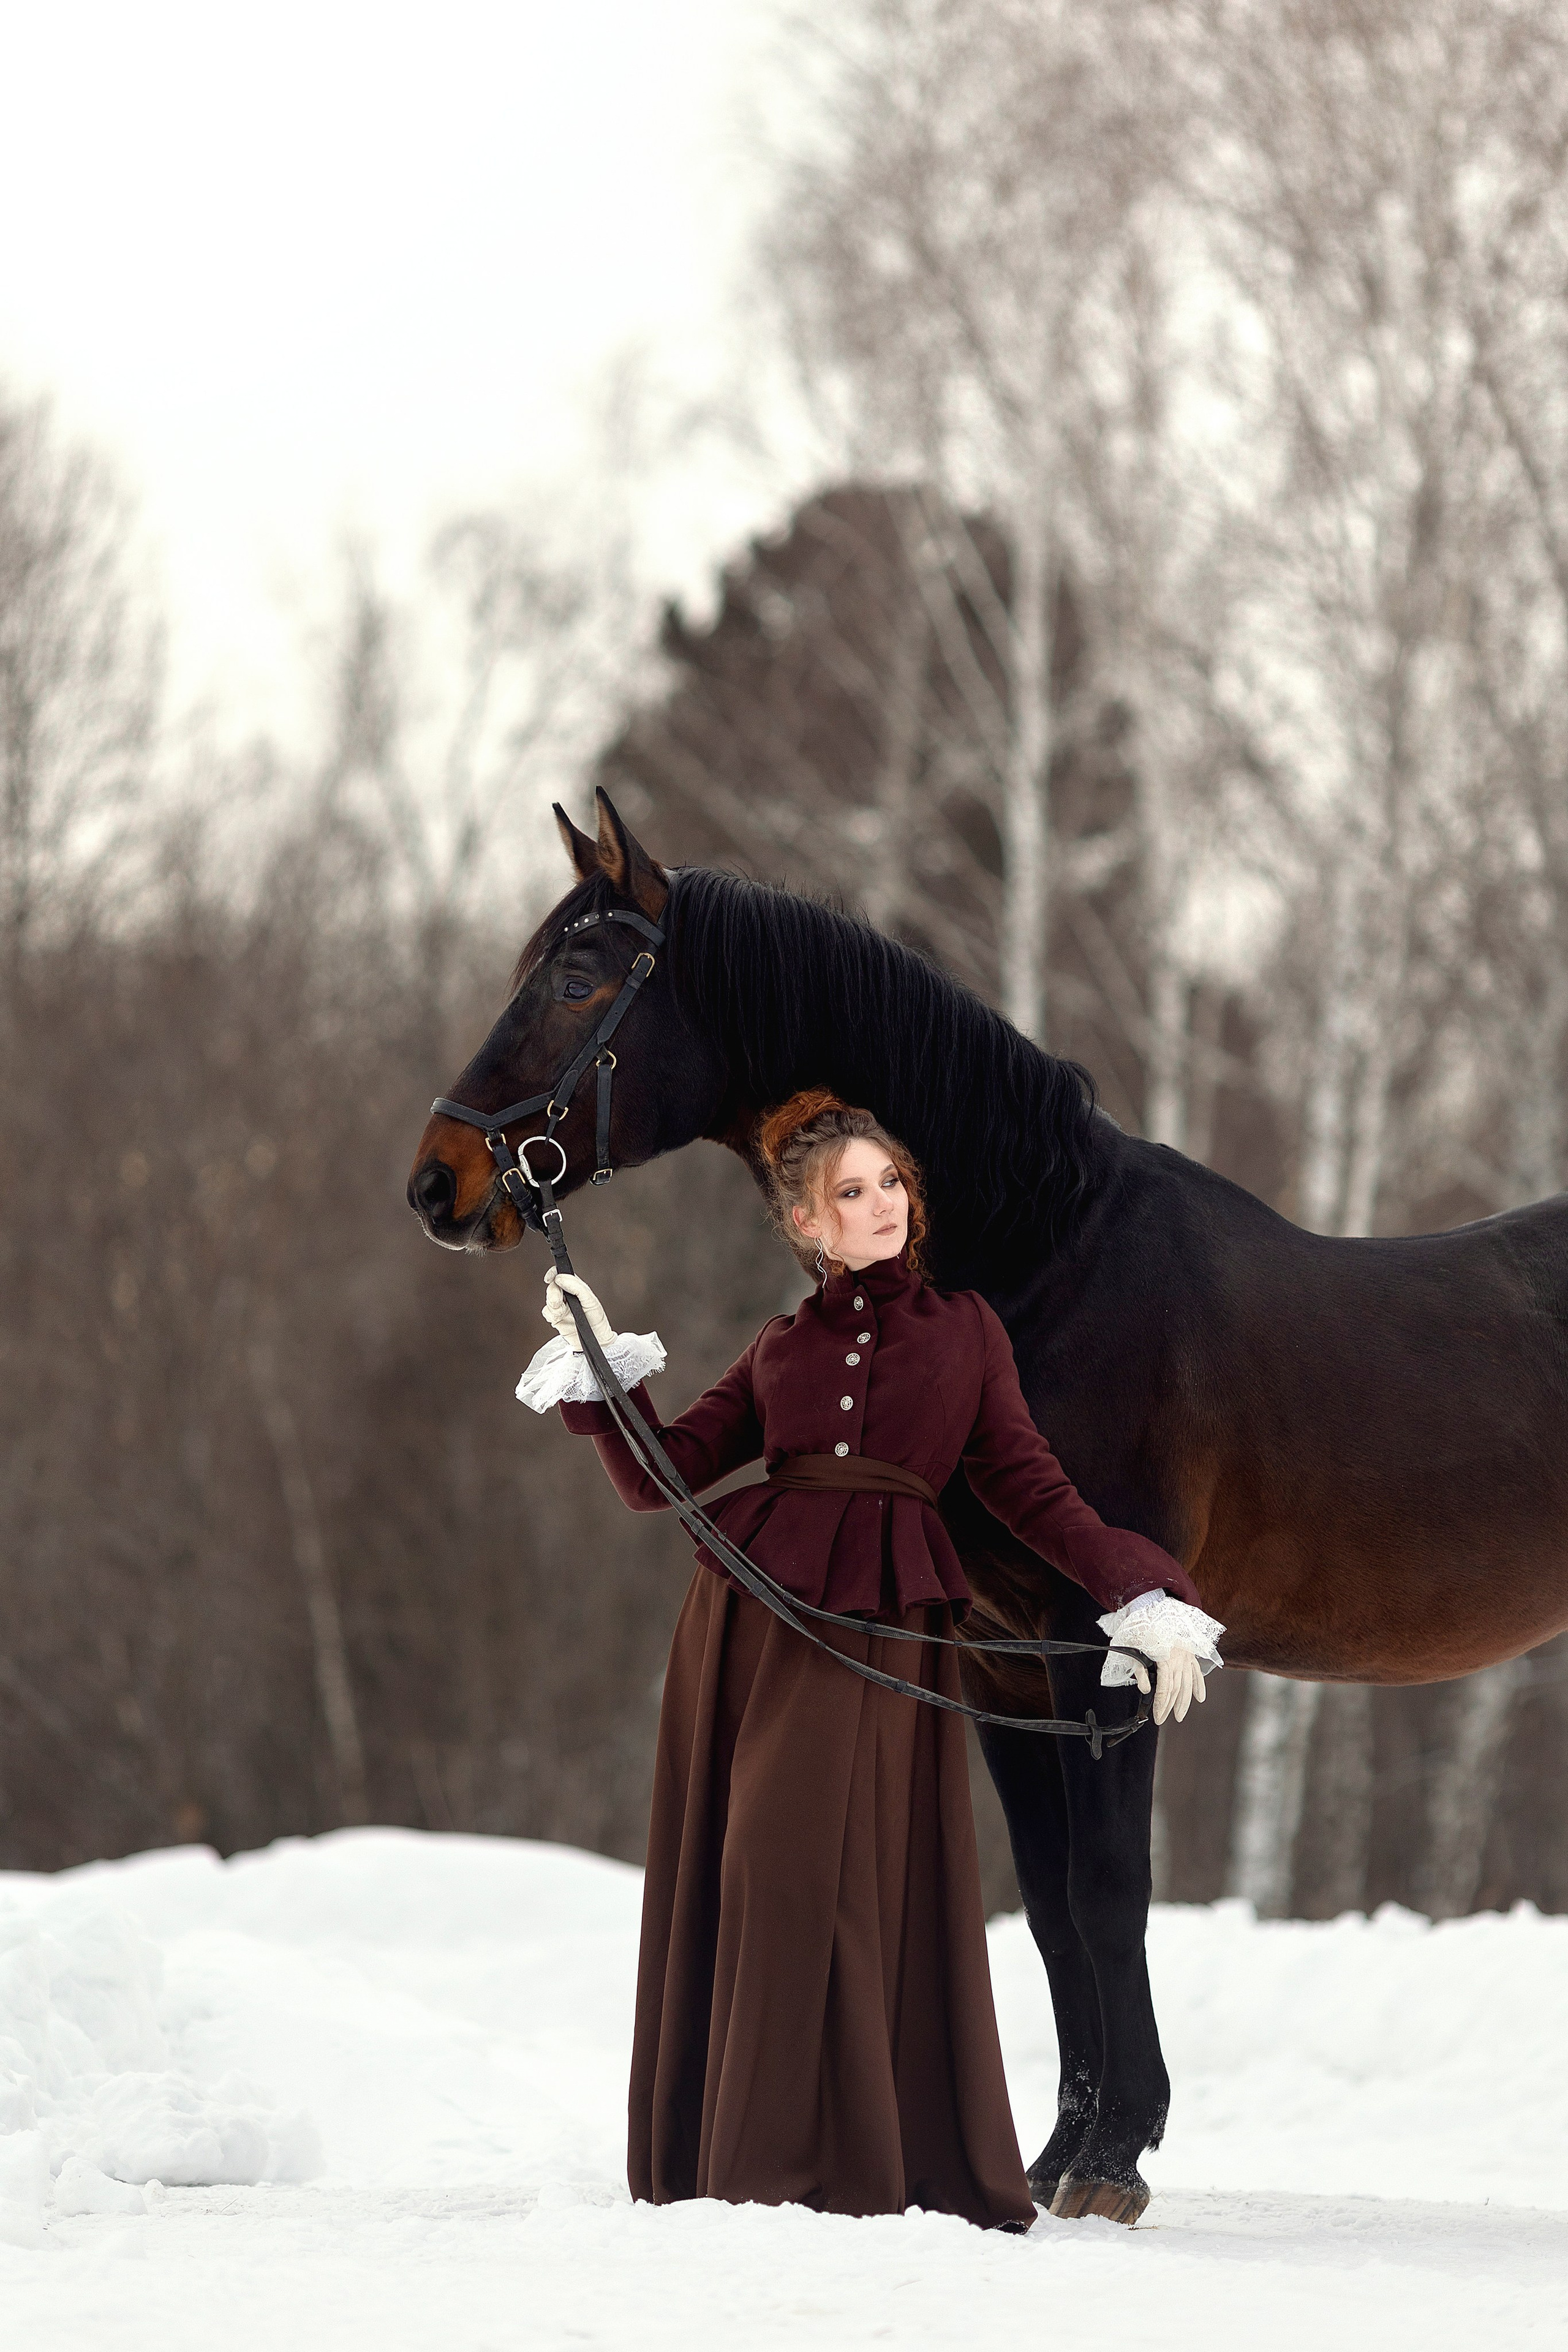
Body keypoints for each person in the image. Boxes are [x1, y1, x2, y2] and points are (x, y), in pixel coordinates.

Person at [516, 1089, 1223, 2228]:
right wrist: (598, 1375)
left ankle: (852, 2162)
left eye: (891, 1183)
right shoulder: (778, 1349)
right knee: (758, 1872)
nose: (882, 1205)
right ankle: (746, 2169)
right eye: (853, 1192)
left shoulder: (968, 1335)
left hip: (885, 1627)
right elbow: (662, 1475)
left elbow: (1033, 1489)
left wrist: (1142, 1589)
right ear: (807, 1224)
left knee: (844, 1881)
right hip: (750, 1627)